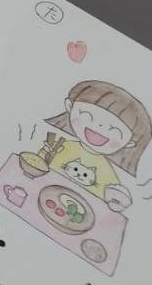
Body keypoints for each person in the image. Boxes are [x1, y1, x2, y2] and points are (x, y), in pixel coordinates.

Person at [18, 79, 149, 212]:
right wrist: (45, 154)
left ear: (129, 143)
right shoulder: (62, 147)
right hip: (41, 197)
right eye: (88, 115)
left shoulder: (107, 172)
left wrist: (117, 202)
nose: (100, 126)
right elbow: (39, 163)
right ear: (69, 107)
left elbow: (110, 198)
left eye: (114, 130)